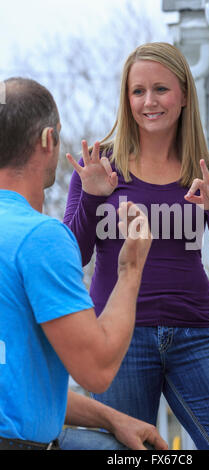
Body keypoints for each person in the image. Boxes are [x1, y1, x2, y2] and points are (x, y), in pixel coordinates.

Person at [64, 42, 209, 450]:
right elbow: (73, 254)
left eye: (161, 89)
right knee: (124, 454)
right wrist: (93, 196)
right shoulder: (98, 166)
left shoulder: (208, 170)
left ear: (184, 95)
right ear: (126, 98)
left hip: (197, 334)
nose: (149, 101)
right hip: (118, 338)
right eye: (138, 91)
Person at [0, 77, 168, 451]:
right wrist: (131, 267)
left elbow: (23, 388)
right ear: (47, 140)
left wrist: (113, 417)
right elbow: (97, 369)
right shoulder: (39, 238)